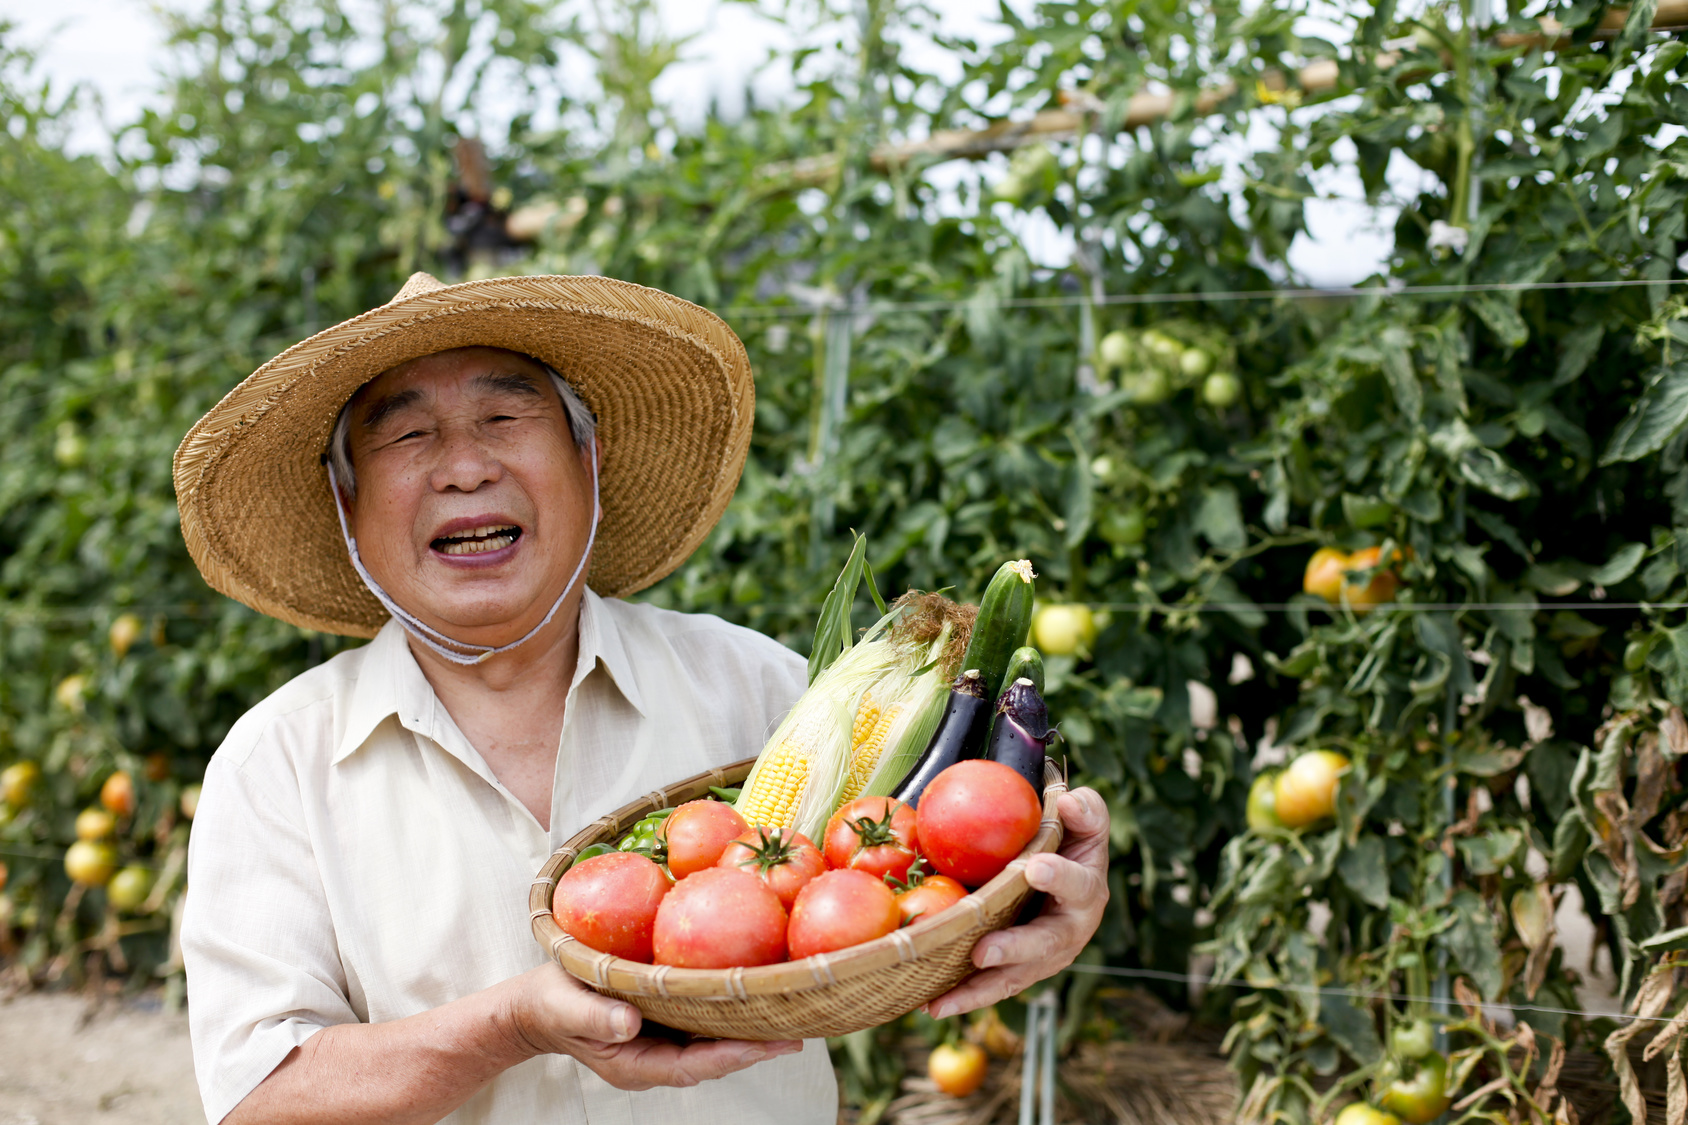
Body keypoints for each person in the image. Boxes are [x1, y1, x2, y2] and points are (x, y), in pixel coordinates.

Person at [174, 272, 1111, 1125]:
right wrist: (512, 1022)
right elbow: (261, 1099)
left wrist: (1034, 907)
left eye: (506, 419)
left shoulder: (762, 689)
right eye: (408, 433)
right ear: (345, 502)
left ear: (590, 461)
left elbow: (934, 869)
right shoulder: (278, 765)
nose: (464, 467)